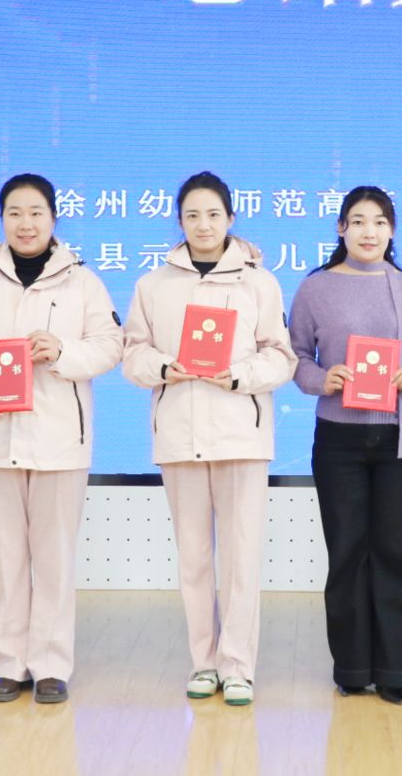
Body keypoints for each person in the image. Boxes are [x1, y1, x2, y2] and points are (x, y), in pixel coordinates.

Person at [0, 173, 124, 705]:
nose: (25, 223)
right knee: (6, 558)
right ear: (1, 219)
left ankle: (52, 664)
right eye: (14, 212)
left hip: (59, 441)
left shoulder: (82, 282)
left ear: (54, 218)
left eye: (36, 212)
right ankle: (9, 665)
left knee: (53, 559)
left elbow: (111, 345)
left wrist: (61, 352)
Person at [119, 172, 296, 707]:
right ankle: (203, 662)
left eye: (213, 214)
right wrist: (164, 367)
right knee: (194, 559)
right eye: (192, 215)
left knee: (241, 559)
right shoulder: (154, 285)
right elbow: (132, 353)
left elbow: (281, 357)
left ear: (230, 218)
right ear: (179, 220)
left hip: (241, 436)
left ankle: (237, 666)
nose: (203, 224)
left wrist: (239, 374)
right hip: (180, 435)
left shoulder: (258, 283)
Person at [289, 186, 402, 704]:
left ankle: (398, 667)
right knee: (348, 550)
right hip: (339, 436)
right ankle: (352, 666)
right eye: (357, 221)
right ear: (341, 228)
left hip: (401, 433)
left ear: (392, 230)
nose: (368, 232)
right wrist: (322, 378)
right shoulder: (316, 288)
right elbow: (296, 357)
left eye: (378, 222)